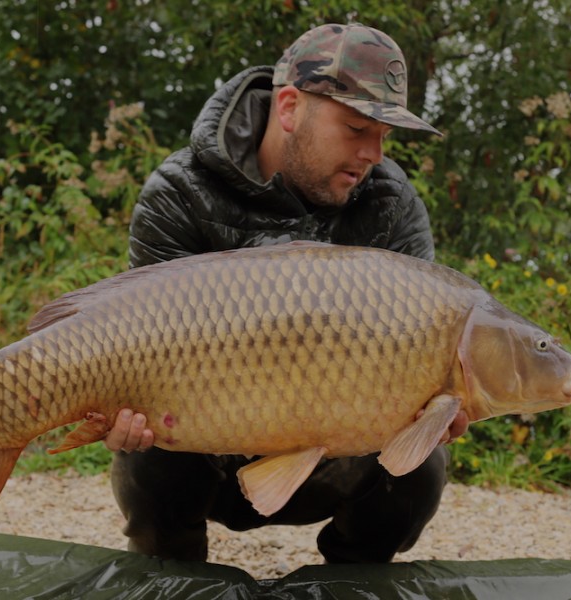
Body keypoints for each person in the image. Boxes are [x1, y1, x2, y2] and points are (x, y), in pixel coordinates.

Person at [103, 23, 469, 564]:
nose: (373, 153)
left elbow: (425, 342)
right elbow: (135, 341)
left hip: (332, 460)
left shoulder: (392, 206)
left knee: (418, 465)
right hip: (204, 449)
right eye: (356, 128)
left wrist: (438, 408)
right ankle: (173, 577)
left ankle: (351, 584)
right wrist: (112, 409)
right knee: (145, 453)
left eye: (384, 136)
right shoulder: (179, 194)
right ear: (291, 106)